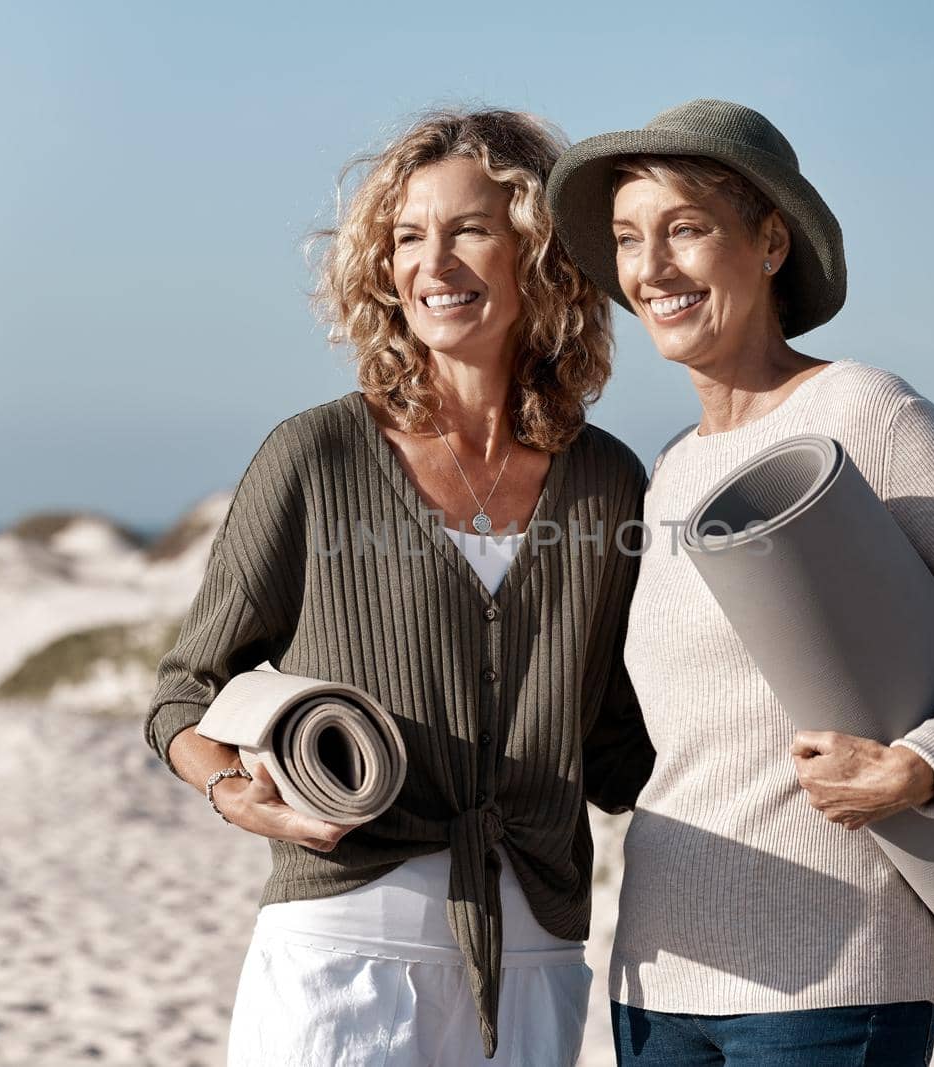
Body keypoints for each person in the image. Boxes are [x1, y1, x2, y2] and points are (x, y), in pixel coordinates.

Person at [546, 99, 934, 1066]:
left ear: (769, 243)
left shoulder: (866, 411)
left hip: (838, 978)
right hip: (660, 977)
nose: (653, 269)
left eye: (686, 229)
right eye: (632, 240)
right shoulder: (671, 465)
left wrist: (924, 766)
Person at [144, 108, 654, 1065]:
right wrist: (233, 791)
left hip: (536, 959)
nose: (435, 263)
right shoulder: (316, 456)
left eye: (469, 230)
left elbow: (625, 744)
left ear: (536, 252)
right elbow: (184, 691)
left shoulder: (608, 481)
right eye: (407, 237)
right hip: (342, 952)